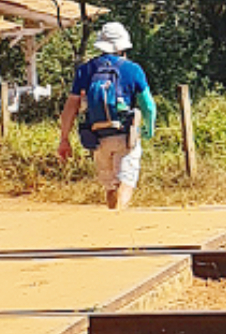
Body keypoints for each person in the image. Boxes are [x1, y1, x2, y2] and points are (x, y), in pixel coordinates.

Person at [55, 21, 156, 210]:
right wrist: (148, 128)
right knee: (126, 182)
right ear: (123, 46)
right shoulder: (133, 69)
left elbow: (70, 107)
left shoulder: (85, 70)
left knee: (110, 185)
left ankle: (111, 219)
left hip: (96, 136)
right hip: (125, 136)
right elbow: (148, 106)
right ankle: (118, 221)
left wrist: (64, 139)